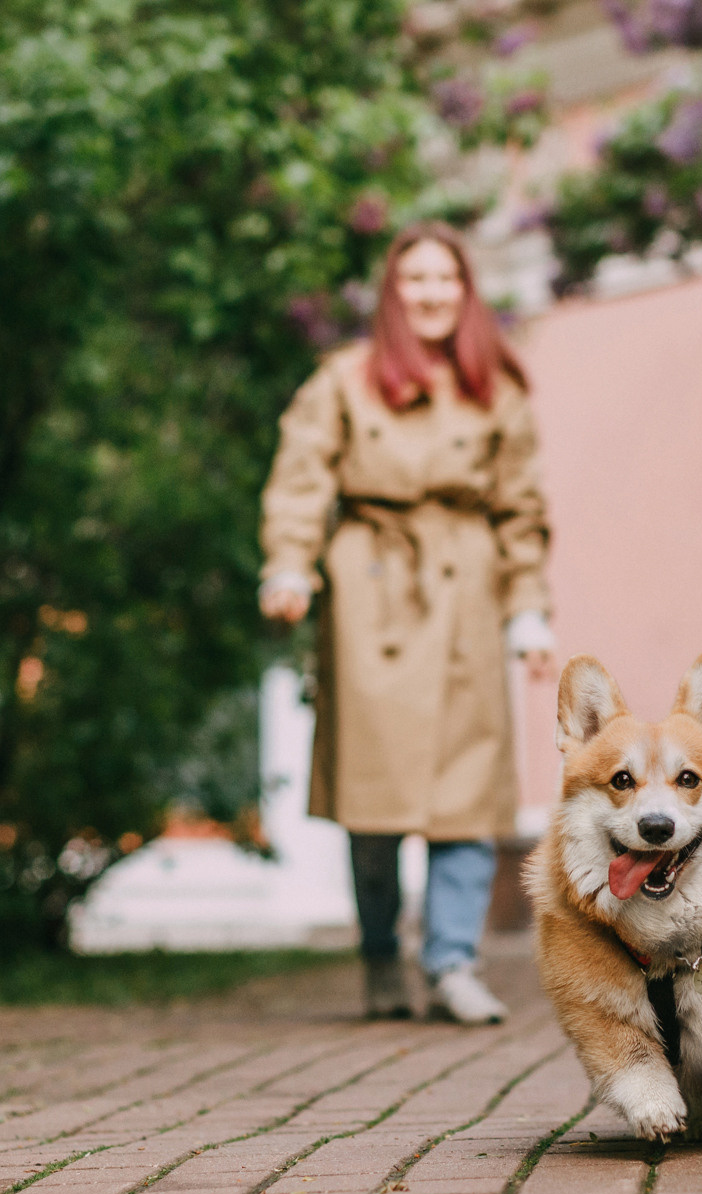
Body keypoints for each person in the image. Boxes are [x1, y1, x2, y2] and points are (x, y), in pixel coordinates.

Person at [258, 223, 554, 1024]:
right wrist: (290, 561)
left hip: (467, 587)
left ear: (465, 291)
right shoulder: (345, 379)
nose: (430, 294)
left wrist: (528, 607)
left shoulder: (496, 386)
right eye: (414, 279)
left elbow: (522, 507)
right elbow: (301, 473)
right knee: (376, 792)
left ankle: (453, 960)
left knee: (467, 791)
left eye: (445, 279)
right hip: (372, 587)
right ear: (393, 292)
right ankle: (382, 956)